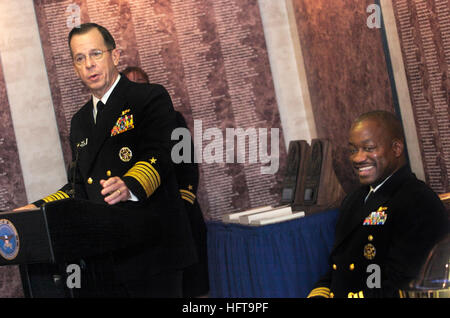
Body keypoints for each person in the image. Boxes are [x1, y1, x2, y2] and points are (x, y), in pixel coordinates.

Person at [14, 23, 197, 297]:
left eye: (96, 54)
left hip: (153, 252)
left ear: (115, 56)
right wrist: (36, 209)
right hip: (106, 257)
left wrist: (130, 184)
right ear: (75, 67)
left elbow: (160, 154)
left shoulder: (148, 97)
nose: (89, 64)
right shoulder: (80, 122)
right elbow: (78, 188)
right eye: (80, 58)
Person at [307, 110, 448, 298]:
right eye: (353, 150)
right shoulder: (354, 199)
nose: (357, 158)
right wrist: (320, 293)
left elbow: (401, 282)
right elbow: (340, 265)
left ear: (396, 149)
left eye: (369, 148)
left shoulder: (417, 201)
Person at [122, 66, 209, 297]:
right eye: (131, 83)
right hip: (145, 218)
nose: (137, 86)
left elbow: (187, 163)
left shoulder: (171, 118)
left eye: (141, 82)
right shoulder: (119, 126)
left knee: (193, 284)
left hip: (180, 210)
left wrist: (184, 199)